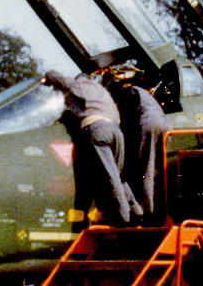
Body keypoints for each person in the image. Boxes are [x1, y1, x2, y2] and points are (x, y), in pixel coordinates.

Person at [41, 69, 141, 227]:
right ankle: (136, 210)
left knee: (110, 176)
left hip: (98, 131)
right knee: (118, 175)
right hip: (116, 132)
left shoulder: (79, 84)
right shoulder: (100, 91)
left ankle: (124, 217)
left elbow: (58, 77)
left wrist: (48, 76)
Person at [103, 65, 169, 224]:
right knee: (154, 169)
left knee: (144, 168)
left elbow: (126, 123)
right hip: (163, 126)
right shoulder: (140, 92)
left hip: (148, 126)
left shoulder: (128, 94)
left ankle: (147, 211)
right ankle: (154, 208)